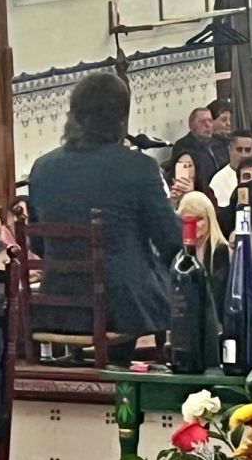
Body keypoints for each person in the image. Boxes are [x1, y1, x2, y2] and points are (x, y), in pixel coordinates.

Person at [27, 73, 180, 341]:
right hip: (124, 308)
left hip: (60, 306)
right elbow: (171, 242)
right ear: (121, 119)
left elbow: (39, 245)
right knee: (195, 284)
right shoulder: (139, 167)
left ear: (73, 114)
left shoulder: (42, 167)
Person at [176, 191, 230, 325]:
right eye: (189, 220)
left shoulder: (220, 251)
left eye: (199, 219)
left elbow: (216, 297)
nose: (195, 225)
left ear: (209, 219)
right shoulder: (180, 256)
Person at [170, 107, 225, 183]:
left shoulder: (219, 142)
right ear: (191, 126)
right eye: (202, 122)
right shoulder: (183, 146)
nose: (207, 125)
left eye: (210, 121)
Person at [208, 130, 252, 208]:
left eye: (247, 150)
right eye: (239, 149)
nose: (244, 155)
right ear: (229, 149)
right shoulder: (219, 180)